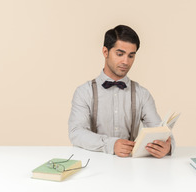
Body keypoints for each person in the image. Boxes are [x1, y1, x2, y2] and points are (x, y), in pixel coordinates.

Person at [68, 25, 175, 158]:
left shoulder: (142, 94)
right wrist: (111, 144)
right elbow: (76, 133)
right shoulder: (84, 92)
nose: (126, 61)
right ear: (105, 52)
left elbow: (159, 129)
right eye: (120, 54)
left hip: (131, 168)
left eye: (131, 56)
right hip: (93, 164)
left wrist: (167, 147)